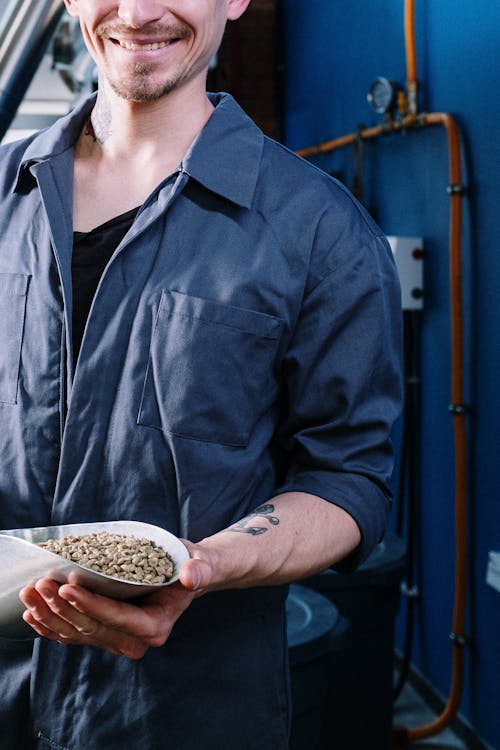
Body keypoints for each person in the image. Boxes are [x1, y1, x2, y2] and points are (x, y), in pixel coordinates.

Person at [0, 0, 403, 748]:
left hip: (185, 713)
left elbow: (349, 480)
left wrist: (205, 565)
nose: (142, 12)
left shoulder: (320, 232)